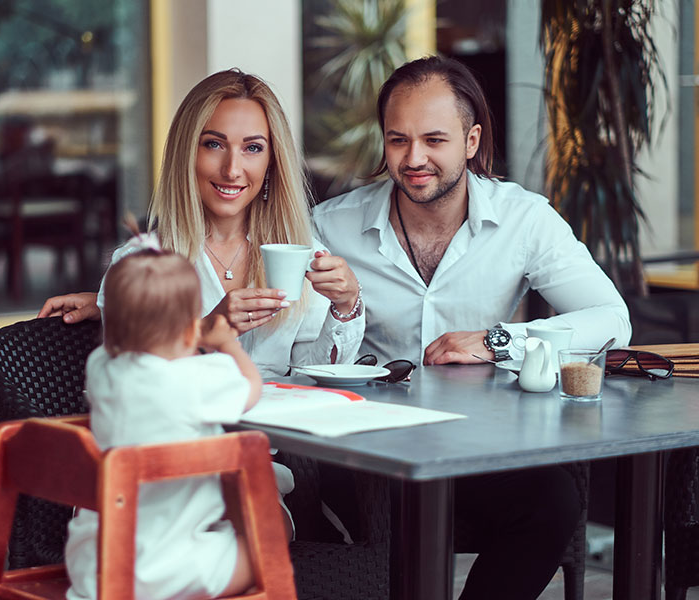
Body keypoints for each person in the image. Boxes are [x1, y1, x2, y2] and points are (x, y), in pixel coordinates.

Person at [312, 55, 631, 599]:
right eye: (398, 140)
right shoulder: (331, 226)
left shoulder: (524, 219)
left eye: (435, 140)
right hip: (368, 458)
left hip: (482, 449)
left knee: (553, 501)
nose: (414, 159)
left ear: (471, 139)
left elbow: (611, 321)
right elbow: (299, 348)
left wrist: (496, 341)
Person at [38, 69, 364, 378]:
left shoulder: (302, 255)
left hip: (279, 434)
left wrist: (345, 307)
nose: (232, 169)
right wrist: (204, 332)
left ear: (271, 162)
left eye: (252, 148)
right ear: (186, 153)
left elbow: (315, 375)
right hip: (186, 435)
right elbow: (131, 380)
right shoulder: (137, 264)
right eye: (214, 144)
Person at [65, 248, 264, 600]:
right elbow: (251, 388)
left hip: (93, 562)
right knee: (264, 544)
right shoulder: (194, 379)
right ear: (191, 331)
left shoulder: (99, 366)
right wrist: (226, 343)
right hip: (164, 568)